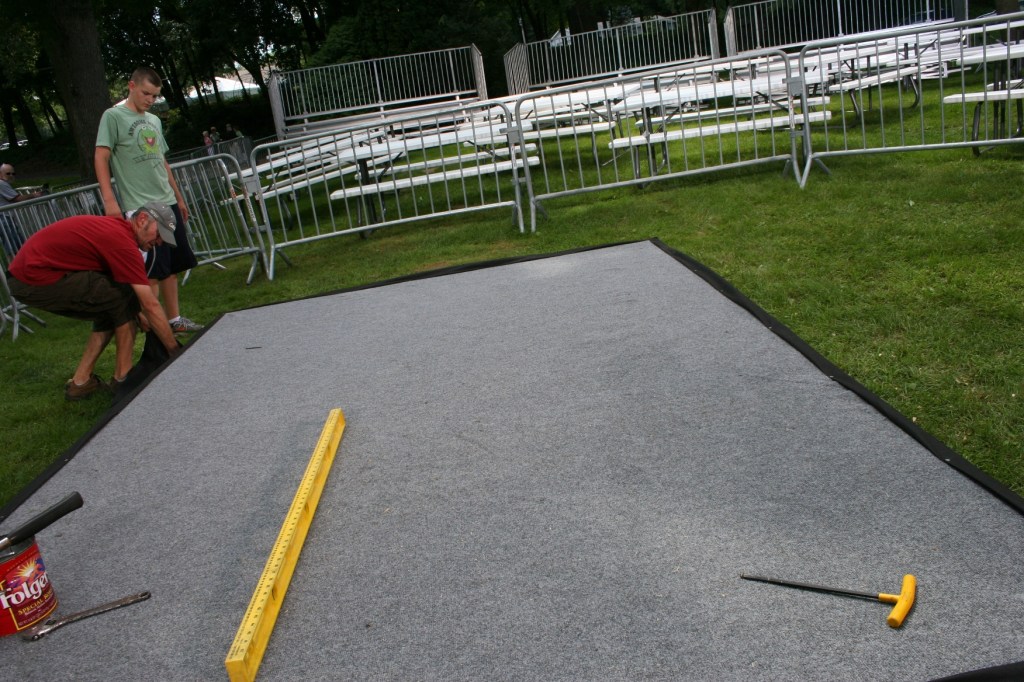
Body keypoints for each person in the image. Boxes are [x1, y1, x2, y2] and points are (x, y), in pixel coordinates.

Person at [6, 203, 182, 400]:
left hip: (27, 276)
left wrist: (137, 312)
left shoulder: (117, 232)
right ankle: (123, 379)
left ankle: (81, 383)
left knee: (112, 302)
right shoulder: (121, 242)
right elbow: (150, 304)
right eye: (159, 235)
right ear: (142, 220)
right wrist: (175, 351)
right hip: (34, 278)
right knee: (120, 297)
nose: (159, 243)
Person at [95, 66, 204, 335]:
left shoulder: (153, 121)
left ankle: (174, 320)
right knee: (152, 271)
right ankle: (156, 329)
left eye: (155, 96)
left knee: (172, 267)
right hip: (142, 207)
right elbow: (101, 157)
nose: (150, 100)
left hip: (166, 202)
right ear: (131, 86)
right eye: (146, 93)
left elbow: (162, 161)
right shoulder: (113, 116)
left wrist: (178, 197)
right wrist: (110, 201)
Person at [0, 163, 44, 256]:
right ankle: (16, 268)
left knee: (16, 245)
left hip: (6, 218)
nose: (11, 176)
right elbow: (17, 198)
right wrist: (34, 195)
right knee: (14, 247)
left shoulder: (3, 184)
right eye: (8, 173)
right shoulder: (1, 184)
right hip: (4, 219)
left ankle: (19, 266)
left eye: (13, 174)